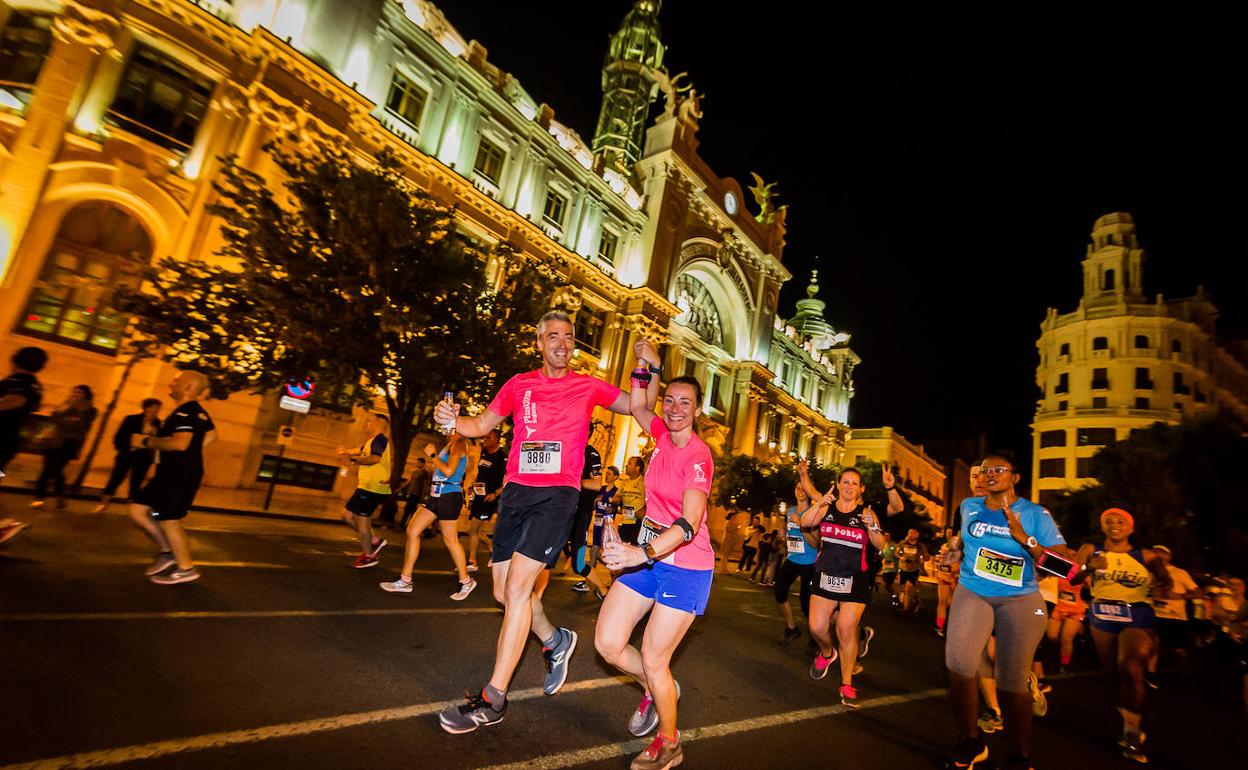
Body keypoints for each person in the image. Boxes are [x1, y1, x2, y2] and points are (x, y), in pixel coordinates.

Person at [436, 310, 633, 734]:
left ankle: (493, 699)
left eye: (569, 336)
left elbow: (637, 405)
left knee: (520, 589)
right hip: (515, 493)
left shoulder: (588, 385)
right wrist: (451, 420)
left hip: (557, 496)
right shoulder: (518, 384)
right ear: (539, 342)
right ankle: (554, 640)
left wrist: (646, 369)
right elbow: (481, 424)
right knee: (503, 593)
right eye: (554, 336)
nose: (562, 342)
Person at [595, 343, 713, 770]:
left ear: (698, 411)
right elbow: (640, 402)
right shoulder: (661, 435)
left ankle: (670, 742)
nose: (675, 408)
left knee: (652, 655)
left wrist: (637, 552)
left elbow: (688, 525)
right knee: (607, 643)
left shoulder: (698, 457)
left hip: (686, 566)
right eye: (671, 401)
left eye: (686, 403)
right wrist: (646, 366)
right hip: (648, 557)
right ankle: (658, 687)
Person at [942, 453, 1067, 770]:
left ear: (1015, 477)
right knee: (958, 666)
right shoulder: (970, 507)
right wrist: (954, 550)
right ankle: (972, 742)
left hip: (1020, 599)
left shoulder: (1037, 514)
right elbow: (963, 540)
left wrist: (1027, 540)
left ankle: (1018, 753)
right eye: (985, 470)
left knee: (1011, 681)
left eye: (999, 469)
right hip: (973, 590)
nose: (990, 474)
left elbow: (1065, 568)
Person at [1072, 508, 1170, 764]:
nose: (1115, 525)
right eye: (1109, 521)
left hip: (1136, 616)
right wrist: (1088, 567)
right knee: (1112, 676)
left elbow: (1166, 582)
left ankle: (1132, 734)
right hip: (1102, 614)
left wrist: (1161, 590)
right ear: (1102, 526)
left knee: (1130, 666)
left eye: (1121, 521)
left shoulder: (1146, 556)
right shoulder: (1090, 549)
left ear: (1131, 528)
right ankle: (1129, 716)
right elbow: (1074, 578)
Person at [800, 466, 896, 707]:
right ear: (838, 484)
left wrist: (872, 526)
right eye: (845, 482)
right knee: (817, 627)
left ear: (860, 488)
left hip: (855, 580)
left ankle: (846, 683)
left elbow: (880, 545)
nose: (849, 486)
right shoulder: (827, 507)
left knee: (845, 628)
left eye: (854, 483)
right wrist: (819, 504)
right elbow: (805, 522)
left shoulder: (867, 513)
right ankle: (826, 653)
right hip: (825, 576)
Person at [127, 370, 216, 585]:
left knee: (170, 519)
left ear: (187, 388)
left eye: (176, 381)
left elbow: (180, 443)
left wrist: (146, 442)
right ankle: (167, 552)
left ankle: (186, 568)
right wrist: (194, 451)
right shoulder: (197, 412)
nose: (171, 383)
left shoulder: (185, 413)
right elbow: (212, 435)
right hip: (168, 474)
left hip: (180, 476)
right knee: (138, 510)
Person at [379, 434, 476, 600]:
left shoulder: (459, 444)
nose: (444, 427)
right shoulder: (450, 444)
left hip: (449, 495)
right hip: (436, 494)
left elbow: (448, 471)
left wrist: (432, 455)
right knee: (412, 530)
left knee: (450, 541)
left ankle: (466, 581)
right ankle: (405, 580)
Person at [0, 346, 47, 547]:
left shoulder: (19, 382)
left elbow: (14, 400)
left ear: (15, 359)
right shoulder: (35, 385)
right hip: (8, 441)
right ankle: (5, 524)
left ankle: (7, 523)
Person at [337, 413, 391, 569]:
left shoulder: (380, 439)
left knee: (362, 521)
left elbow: (375, 459)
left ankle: (369, 556)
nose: (368, 423)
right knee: (346, 516)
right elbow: (359, 450)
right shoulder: (371, 442)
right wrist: (345, 451)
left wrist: (355, 460)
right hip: (366, 487)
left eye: (370, 421)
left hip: (372, 488)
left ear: (377, 423)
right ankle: (374, 540)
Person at [31, 385, 97, 509]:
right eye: (74, 391)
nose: (75, 394)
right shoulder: (65, 404)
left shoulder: (90, 410)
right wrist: (64, 415)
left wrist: (65, 415)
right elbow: (54, 418)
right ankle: (59, 496)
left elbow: (78, 424)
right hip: (53, 441)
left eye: (79, 392)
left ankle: (40, 498)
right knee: (52, 470)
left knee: (50, 470)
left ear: (86, 395)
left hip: (69, 444)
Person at [776, 461, 819, 645]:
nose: (800, 491)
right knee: (779, 592)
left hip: (810, 563)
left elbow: (815, 542)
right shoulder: (791, 511)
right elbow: (792, 541)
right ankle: (792, 628)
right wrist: (783, 536)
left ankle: (816, 637)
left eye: (804, 489)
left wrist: (801, 524)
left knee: (806, 603)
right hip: (793, 559)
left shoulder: (814, 512)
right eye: (797, 488)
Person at [93, 398, 161, 512]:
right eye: (153, 407)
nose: (156, 410)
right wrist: (123, 448)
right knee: (116, 478)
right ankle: (103, 503)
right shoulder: (131, 419)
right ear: (146, 407)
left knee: (136, 482)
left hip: (143, 456)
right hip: (127, 454)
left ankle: (131, 506)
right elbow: (120, 435)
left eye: (157, 408)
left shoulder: (159, 424)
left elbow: (159, 440)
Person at [1148, 544, 1198, 679]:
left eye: (1162, 552)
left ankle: (1183, 667)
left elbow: (1197, 592)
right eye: (1155, 552)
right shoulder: (1147, 572)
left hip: (1176, 617)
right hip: (1155, 614)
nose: (1158, 555)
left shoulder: (1180, 573)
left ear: (1169, 556)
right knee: (1154, 644)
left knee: (1178, 648)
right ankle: (1150, 673)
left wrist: (1179, 596)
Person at [569, 443, 610, 598]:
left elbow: (596, 484)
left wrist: (570, 481)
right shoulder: (564, 446)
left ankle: (604, 590)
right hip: (560, 513)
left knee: (579, 565)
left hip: (580, 517)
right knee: (541, 557)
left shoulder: (591, 454)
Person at [465, 428, 506, 572]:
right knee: (474, 529)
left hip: (490, 499)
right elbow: (479, 473)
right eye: (485, 438)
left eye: (488, 438)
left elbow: (507, 481)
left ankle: (472, 561)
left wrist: (495, 494)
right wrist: (472, 486)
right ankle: (491, 549)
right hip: (478, 495)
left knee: (474, 528)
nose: (485, 440)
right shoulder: (484, 453)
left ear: (496, 440)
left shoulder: (502, 458)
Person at [576, 463, 620, 596]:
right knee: (594, 551)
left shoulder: (616, 491)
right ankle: (586, 581)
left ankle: (615, 577)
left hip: (607, 526)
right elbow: (594, 506)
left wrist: (611, 507)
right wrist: (596, 501)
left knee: (603, 553)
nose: (607, 476)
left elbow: (617, 506)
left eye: (610, 475)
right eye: (606, 474)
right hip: (597, 523)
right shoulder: (601, 489)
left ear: (616, 477)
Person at [1046, 574, 1086, 673]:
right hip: (1059, 608)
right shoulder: (1060, 570)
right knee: (1052, 635)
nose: (1072, 557)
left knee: (1066, 638)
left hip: (1075, 611)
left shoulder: (1082, 573)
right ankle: (1067, 649)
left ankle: (1065, 664)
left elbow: (1090, 586)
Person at [934, 527, 961, 637]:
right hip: (944, 577)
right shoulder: (944, 546)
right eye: (947, 532)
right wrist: (937, 570)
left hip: (956, 578)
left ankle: (954, 628)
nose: (948, 534)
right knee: (942, 603)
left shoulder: (961, 546)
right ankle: (940, 627)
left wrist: (956, 577)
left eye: (951, 532)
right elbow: (941, 560)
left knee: (952, 604)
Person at [896, 528, 929, 614]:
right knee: (904, 588)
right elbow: (896, 552)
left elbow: (926, 557)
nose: (910, 535)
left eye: (912, 533)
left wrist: (923, 559)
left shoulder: (920, 546)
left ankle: (905, 609)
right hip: (903, 568)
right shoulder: (902, 543)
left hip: (914, 570)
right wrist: (901, 557)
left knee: (908, 588)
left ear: (917, 536)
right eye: (909, 533)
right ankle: (915, 600)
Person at [615, 455, 646, 545]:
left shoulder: (644, 483)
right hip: (625, 520)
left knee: (634, 549)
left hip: (638, 523)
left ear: (637, 468)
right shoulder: (624, 482)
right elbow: (617, 496)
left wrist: (644, 509)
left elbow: (652, 500)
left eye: (629, 463)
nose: (626, 465)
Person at [397, 457, 430, 531]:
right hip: (411, 493)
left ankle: (404, 526)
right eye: (417, 462)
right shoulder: (415, 472)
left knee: (409, 510)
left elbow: (425, 484)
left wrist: (423, 495)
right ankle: (408, 526)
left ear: (423, 463)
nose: (417, 464)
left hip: (416, 494)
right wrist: (400, 488)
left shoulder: (425, 473)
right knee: (409, 510)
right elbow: (409, 481)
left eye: (418, 463)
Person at [879, 531, 899, 600]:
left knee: (887, 584)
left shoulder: (895, 545)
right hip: (885, 568)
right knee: (886, 585)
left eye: (888, 535)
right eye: (885, 535)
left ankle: (895, 596)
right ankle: (894, 595)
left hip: (892, 569)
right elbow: (881, 555)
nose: (886, 537)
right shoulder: (883, 545)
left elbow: (898, 555)